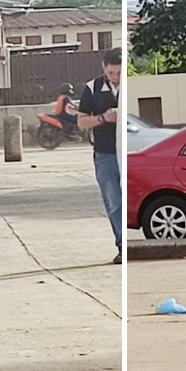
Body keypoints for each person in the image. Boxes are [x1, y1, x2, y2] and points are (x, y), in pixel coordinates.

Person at [76, 47, 124, 263]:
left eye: (119, 73)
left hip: (130, 151)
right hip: (105, 153)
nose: (115, 77)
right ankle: (122, 246)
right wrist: (104, 118)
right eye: (111, 73)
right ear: (104, 68)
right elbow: (81, 121)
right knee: (113, 201)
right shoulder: (92, 88)